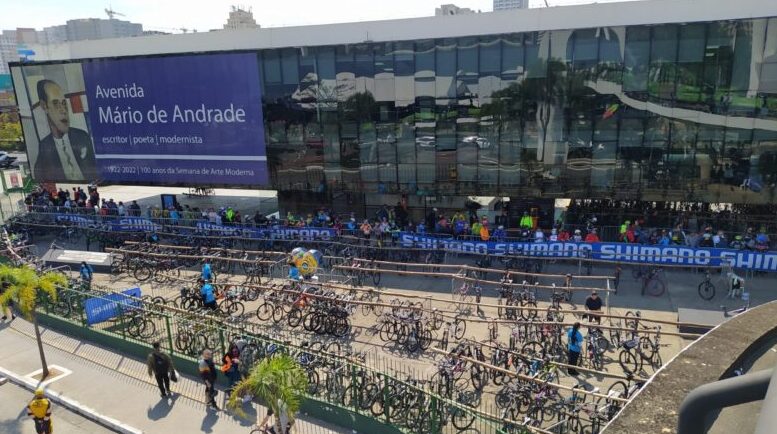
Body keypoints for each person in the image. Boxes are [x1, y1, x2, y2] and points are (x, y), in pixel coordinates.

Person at [33, 79, 96, 181]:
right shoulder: (45, 145)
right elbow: (39, 176)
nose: (63, 110)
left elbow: (97, 170)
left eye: (64, 103)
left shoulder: (82, 136)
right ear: (44, 106)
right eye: (56, 103)